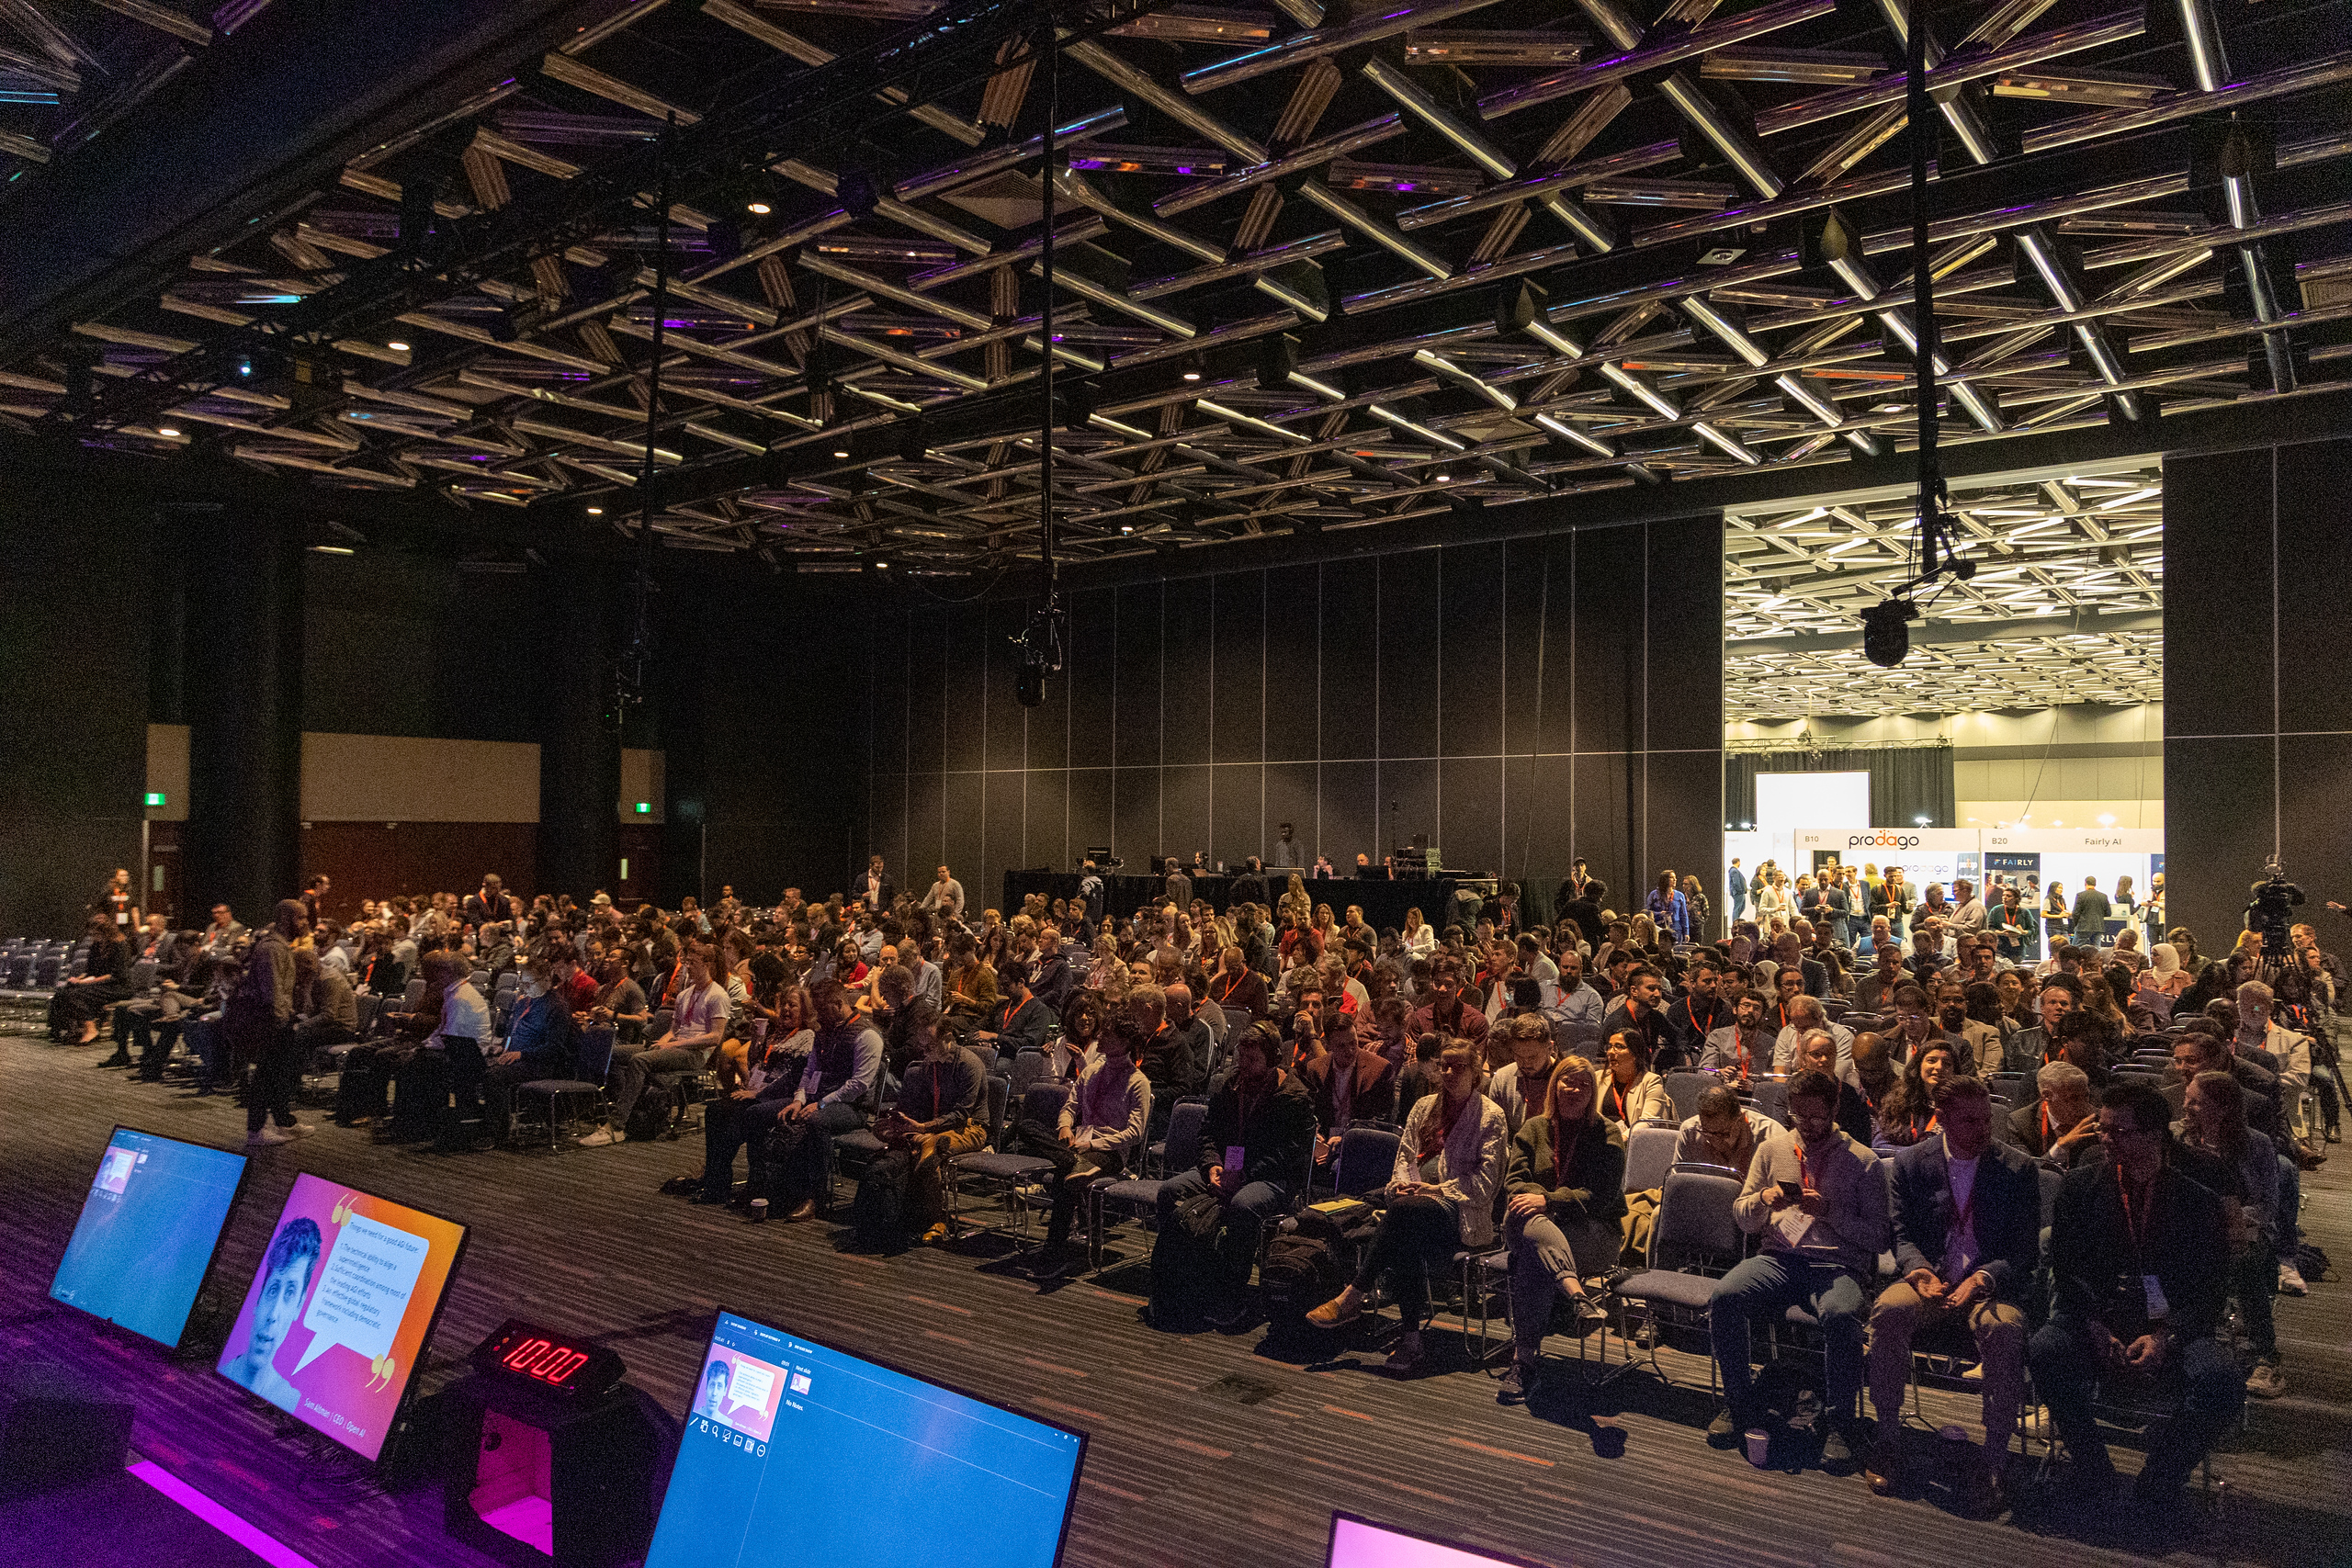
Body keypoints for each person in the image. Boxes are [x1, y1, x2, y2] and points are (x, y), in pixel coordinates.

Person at [2029, 1081, 2243, 1506]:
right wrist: (2093, 1324)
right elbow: (2067, 1268)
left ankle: (2159, 1481)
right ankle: (2093, 1469)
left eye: (2118, 1132)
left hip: (2173, 1321)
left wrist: (2166, 1336)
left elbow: (2211, 1287)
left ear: (2154, 1136)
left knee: (2221, 1383)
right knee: (2044, 1349)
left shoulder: (2196, 1201)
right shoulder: (2080, 1187)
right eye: (2103, 1129)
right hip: (2099, 1313)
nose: (2105, 1139)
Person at [1862, 1077, 2039, 1514]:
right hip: (1932, 1280)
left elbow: (2024, 1251)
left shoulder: (2017, 1168)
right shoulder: (1909, 1165)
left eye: (1987, 1120)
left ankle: (1994, 1455)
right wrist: (1919, 1271)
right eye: (1969, 1121)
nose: (1983, 1130)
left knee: (2003, 1329)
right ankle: (1888, 1436)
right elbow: (1900, 1235)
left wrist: (1981, 1279)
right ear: (1941, 1120)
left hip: (1986, 1286)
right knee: (1886, 1311)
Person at [1707, 1067, 1888, 1467]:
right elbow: (1742, 1215)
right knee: (1724, 1297)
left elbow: (1879, 1238)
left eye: (1816, 1116)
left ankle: (1839, 1420)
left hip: (1836, 1264)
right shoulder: (1773, 1148)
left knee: (1841, 1314)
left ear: (1834, 1109)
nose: (1806, 1125)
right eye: (1798, 1115)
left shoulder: (1864, 1161)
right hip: (1780, 1257)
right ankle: (1739, 1401)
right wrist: (1761, 1201)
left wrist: (1830, 1212)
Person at [1306, 1040, 1508, 1374]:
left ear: (1476, 1072)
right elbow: (1403, 1158)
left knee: (1403, 1216)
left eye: (1458, 1066)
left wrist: (1434, 1189)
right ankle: (1411, 1341)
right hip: (1414, 1211)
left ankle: (1354, 1295)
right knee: (1406, 1230)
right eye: (1444, 1065)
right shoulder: (1424, 1106)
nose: (1448, 1072)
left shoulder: (1491, 1116)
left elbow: (1485, 1186)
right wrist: (1401, 1185)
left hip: (1460, 1214)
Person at [1151, 1023, 1316, 1328]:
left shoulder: (1293, 1096)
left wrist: (1245, 1174)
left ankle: (1232, 1296)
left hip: (1272, 1176)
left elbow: (1292, 1154)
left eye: (1253, 1060)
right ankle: (1180, 1281)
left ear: (1274, 1059)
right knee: (1170, 1191)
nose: (1244, 1066)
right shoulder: (1231, 1086)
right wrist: (1211, 1163)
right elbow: (1209, 1132)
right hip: (1226, 1168)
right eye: (1242, 1058)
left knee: (1243, 1206)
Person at [1497, 1056, 1626, 1400]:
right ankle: (1578, 1297)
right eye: (1568, 1081)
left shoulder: (1608, 1134)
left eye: (1584, 1084)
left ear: (1593, 1092)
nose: (1575, 1089)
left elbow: (1599, 1196)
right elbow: (1514, 1184)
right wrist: (1544, 1203)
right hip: (1533, 1223)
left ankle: (1523, 1363)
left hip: (1592, 1232)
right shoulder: (1533, 1129)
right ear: (1555, 1085)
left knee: (1531, 1258)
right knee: (1530, 1222)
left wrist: (1548, 1201)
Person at [2177, 1070, 2286, 1399]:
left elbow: (2268, 1206)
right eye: (2186, 1098)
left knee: (2246, 1264)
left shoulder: (2256, 1144)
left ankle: (2264, 1352)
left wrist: (2227, 1218)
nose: (2185, 1107)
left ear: (2222, 1108)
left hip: (2244, 1232)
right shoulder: (2178, 1140)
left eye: (2195, 1102)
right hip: (2186, 1230)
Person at [1021, 1015, 1151, 1278]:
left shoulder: (1138, 1082)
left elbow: (1134, 1133)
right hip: (1077, 1145)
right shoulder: (1092, 1071)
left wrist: (1093, 1143)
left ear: (1124, 1042)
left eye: (1108, 1034)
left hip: (1108, 1152)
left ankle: (1055, 1252)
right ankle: (1072, 1161)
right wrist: (1065, 1128)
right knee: (1026, 1126)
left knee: (1065, 1177)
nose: (1100, 1036)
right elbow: (1070, 1107)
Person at [580, 941, 729, 1146]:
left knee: (640, 1060)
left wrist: (673, 1045)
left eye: (693, 963)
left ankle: (616, 1126)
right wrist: (664, 1041)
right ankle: (628, 1107)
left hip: (695, 1053)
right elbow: (673, 1030)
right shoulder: (685, 994)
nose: (688, 968)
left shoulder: (718, 995)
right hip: (676, 1046)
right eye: (687, 963)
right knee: (612, 1053)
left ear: (708, 964)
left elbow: (715, 1037)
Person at [869, 998, 990, 1246]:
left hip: (972, 1128)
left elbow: (961, 1114)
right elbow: (922, 1108)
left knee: (930, 1145)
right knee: (899, 1138)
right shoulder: (928, 1065)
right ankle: (907, 1211)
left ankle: (937, 1221)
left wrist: (923, 1127)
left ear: (947, 1037)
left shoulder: (969, 1064)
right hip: (936, 1127)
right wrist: (901, 1123)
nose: (924, 1051)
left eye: (929, 1044)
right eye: (921, 1045)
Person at [764, 976, 886, 1222]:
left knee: (816, 1122)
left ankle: (813, 1197)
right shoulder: (823, 1033)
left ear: (839, 1004)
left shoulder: (867, 1035)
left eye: (822, 1010)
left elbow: (858, 1085)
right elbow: (809, 1072)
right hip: (815, 1100)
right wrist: (799, 1099)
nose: (817, 1016)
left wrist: (820, 1103)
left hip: (852, 1107)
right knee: (763, 1113)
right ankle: (765, 1186)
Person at [226, 899, 312, 1146]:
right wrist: (283, 1023)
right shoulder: (272, 949)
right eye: (301, 917)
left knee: (277, 1075)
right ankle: (256, 1130)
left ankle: (283, 1122)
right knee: (266, 1076)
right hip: (269, 1021)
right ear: (286, 919)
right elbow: (273, 992)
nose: (306, 922)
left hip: (275, 1019)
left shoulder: (280, 946)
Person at [221, 1215, 321, 1413]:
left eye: (290, 1293)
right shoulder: (223, 1373)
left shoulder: (291, 1401)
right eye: (273, 1289)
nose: (273, 1314)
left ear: (299, 1305)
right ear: (259, 1298)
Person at [1301, 1010, 1399, 1165]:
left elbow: (1381, 1119)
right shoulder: (1315, 1068)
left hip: (1360, 1149)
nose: (1350, 1050)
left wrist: (1347, 1138)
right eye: (1341, 1046)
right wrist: (1315, 1132)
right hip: (1324, 1146)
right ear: (1328, 1044)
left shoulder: (1380, 1068)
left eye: (1353, 1042)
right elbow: (1308, 1112)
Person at [2010, 1059, 2101, 1169]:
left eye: (2086, 1096)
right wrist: (2060, 1148)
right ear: (2047, 1096)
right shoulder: (2020, 1122)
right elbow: (2023, 1173)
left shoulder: (2099, 1119)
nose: (2084, 1106)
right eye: (2074, 1098)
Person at [1675, 1083, 1779, 1178]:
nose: (1713, 1141)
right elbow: (1680, 1183)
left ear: (1739, 1119)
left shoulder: (1772, 1137)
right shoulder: (1690, 1131)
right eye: (1706, 1132)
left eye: (1721, 1134)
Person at [1598, 1027, 1671, 1127]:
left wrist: (1620, 1138)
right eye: (1610, 1046)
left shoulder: (1651, 1081)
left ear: (1635, 1054)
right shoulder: (1598, 1077)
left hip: (1632, 1138)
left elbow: (1648, 1122)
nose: (1610, 1052)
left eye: (1619, 1046)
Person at [1699, 991, 1773, 1085]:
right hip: (1722, 1091)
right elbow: (1704, 1070)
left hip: (1755, 1094)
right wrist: (1719, 1072)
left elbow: (1773, 1078)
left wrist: (1754, 1085)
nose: (1750, 1010)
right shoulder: (1717, 1037)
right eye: (1746, 1005)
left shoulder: (1770, 1043)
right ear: (1735, 1009)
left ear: (1762, 1015)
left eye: (1756, 1008)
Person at [2070, 876, 2112, 951]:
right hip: (2098, 927)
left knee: (2077, 949)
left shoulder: (2080, 895)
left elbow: (2075, 913)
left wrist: (2076, 925)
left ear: (2085, 883)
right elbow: (2108, 913)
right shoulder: (2103, 896)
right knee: (2096, 950)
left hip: (2083, 928)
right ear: (2095, 884)